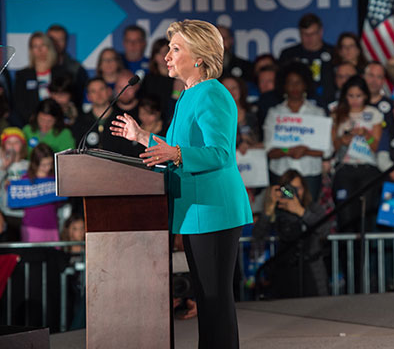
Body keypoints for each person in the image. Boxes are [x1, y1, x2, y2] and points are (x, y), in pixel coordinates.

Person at [110, 19, 252, 349]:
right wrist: (142, 136)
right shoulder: (188, 95)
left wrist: (173, 152)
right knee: (206, 300)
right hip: (195, 212)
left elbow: (219, 153)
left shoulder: (212, 93)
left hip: (214, 211)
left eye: (176, 49)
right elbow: (176, 149)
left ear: (199, 57)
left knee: (215, 303)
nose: (166, 57)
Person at [252, 170, 329, 298]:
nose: (294, 193)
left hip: (310, 271)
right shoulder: (277, 212)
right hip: (283, 273)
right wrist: (268, 209)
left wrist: (300, 212)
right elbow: (257, 235)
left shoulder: (313, 208)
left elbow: (325, 229)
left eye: (298, 188)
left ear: (305, 189)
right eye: (289, 189)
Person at [263, 61, 328, 201]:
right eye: (290, 82)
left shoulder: (318, 113)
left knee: (310, 217)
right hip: (281, 173)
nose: (294, 86)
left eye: (298, 82)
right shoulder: (274, 114)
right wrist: (288, 151)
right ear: (283, 85)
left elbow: (326, 150)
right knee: (282, 216)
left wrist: (304, 150)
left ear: (306, 84)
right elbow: (269, 151)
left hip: (310, 173)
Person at [331, 75, 383, 232]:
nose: (354, 100)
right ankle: (346, 254)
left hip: (368, 169)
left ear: (366, 96)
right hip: (344, 168)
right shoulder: (337, 113)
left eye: (358, 96)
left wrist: (366, 135)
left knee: (364, 215)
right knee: (345, 215)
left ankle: (364, 255)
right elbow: (332, 146)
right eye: (350, 95)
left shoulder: (373, 113)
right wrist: (343, 140)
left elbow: (378, 146)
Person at [278, 13, 336, 108]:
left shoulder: (334, 53)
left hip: (327, 105)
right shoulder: (289, 55)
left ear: (321, 32)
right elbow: (280, 83)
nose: (309, 38)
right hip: (296, 107)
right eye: (305, 34)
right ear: (299, 33)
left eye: (313, 34)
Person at [12, 31, 69, 126]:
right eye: (35, 46)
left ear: (49, 47)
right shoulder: (23, 75)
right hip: (31, 125)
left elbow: (69, 99)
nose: (39, 50)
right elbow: (19, 104)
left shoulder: (62, 73)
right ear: (31, 50)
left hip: (58, 124)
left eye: (43, 45)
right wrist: (33, 121)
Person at [20, 143, 60, 242]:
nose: (48, 168)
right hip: (32, 227)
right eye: (43, 165)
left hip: (52, 225)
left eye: (50, 164)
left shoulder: (54, 178)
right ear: (35, 163)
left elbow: (59, 202)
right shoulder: (26, 179)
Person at [46, 24, 89, 107]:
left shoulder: (76, 68)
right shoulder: (37, 68)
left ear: (66, 42)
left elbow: (80, 99)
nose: (56, 43)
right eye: (52, 40)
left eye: (60, 40)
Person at [140, 37, 179, 121]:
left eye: (165, 52)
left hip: (173, 120)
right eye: (159, 53)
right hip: (153, 122)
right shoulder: (148, 79)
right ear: (154, 56)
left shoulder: (179, 79)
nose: (163, 56)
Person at [363, 61, 394, 127]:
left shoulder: (392, 106)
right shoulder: (354, 103)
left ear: (383, 81)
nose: (374, 81)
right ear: (363, 77)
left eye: (379, 77)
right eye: (371, 75)